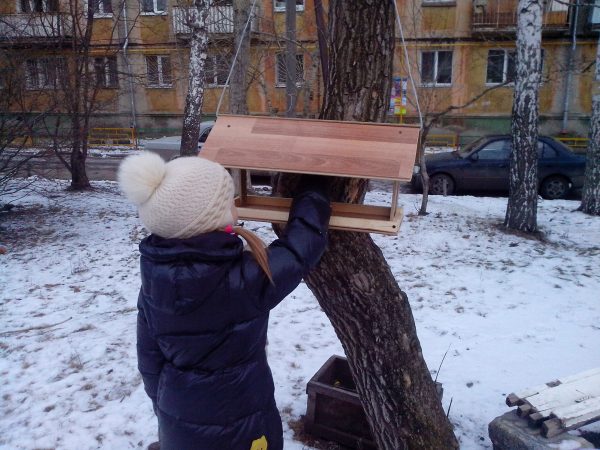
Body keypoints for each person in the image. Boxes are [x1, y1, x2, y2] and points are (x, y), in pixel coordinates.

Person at [118, 152, 331, 450]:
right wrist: (315, 189)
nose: (235, 205)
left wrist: (165, 407)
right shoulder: (242, 281)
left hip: (178, 418)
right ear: (211, 218)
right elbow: (299, 250)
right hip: (241, 422)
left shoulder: (155, 283)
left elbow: (149, 358)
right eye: (229, 200)